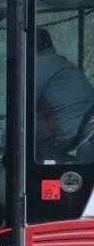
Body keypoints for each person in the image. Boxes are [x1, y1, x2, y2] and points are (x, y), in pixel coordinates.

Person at [35, 28, 94, 162]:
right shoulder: (62, 64)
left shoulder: (40, 67)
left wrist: (4, 137)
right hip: (84, 129)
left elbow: (21, 105)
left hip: (76, 133)